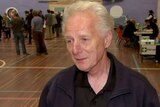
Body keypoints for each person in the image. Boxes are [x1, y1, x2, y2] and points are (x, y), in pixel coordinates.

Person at [39, 1, 160, 107]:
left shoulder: (140, 90)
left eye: (84, 39)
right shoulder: (56, 87)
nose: (75, 50)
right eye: (69, 40)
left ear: (106, 39)